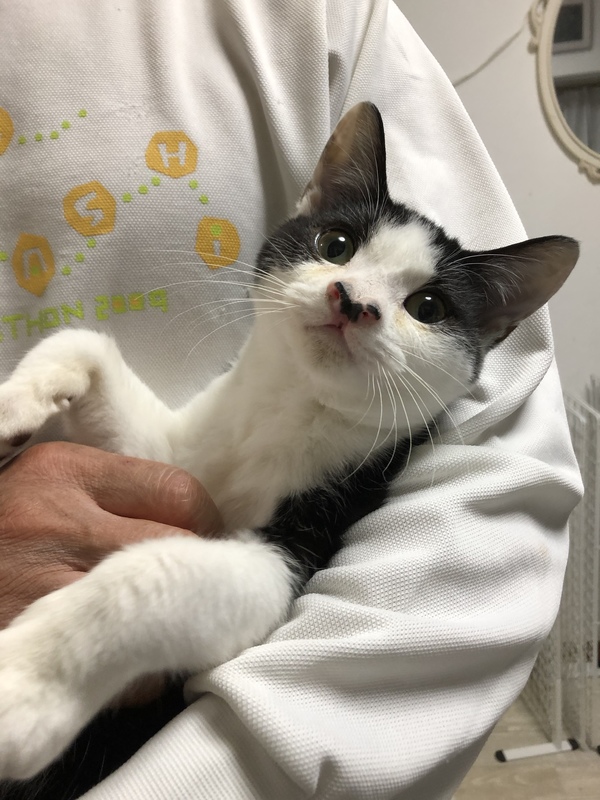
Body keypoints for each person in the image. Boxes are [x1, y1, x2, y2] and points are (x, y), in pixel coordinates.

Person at [0, 1, 582, 798]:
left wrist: (75, 647)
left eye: (426, 307)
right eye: (337, 246)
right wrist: (74, 369)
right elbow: (165, 461)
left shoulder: (357, 458)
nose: (356, 297)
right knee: (88, 355)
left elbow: (265, 586)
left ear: (490, 334)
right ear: (312, 206)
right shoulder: (243, 393)